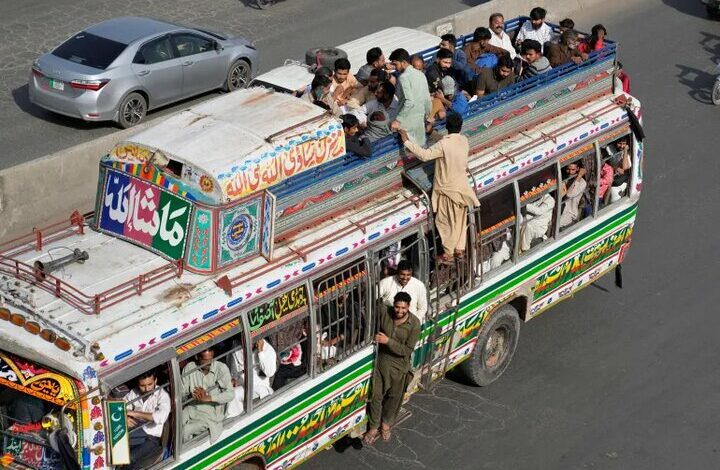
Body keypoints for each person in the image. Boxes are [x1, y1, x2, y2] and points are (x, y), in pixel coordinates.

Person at [400, 112, 480, 262]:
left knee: (444, 221)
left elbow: (424, 155)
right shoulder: (463, 140)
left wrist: (406, 141)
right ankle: (459, 250)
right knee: (460, 221)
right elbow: (445, 143)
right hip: (462, 187)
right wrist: (431, 132)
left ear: (447, 127)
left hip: (447, 189)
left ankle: (448, 254)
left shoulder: (444, 144)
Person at [363, 292, 420, 444]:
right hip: (382, 362)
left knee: (394, 398)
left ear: (408, 307)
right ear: (393, 304)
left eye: (403, 308)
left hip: (399, 366)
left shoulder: (414, 324)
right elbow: (374, 302)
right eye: (397, 307)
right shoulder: (385, 312)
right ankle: (374, 426)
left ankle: (386, 424)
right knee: (376, 396)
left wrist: (388, 341)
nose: (399, 311)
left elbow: (407, 350)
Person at [181, 348, 234, 444]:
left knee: (185, 430)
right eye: (205, 361)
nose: (209, 363)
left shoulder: (221, 368)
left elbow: (230, 394)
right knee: (177, 424)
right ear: (197, 357)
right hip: (192, 408)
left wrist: (209, 398)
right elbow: (181, 393)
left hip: (210, 416)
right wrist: (191, 395)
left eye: (211, 359)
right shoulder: (189, 368)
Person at [124, 371, 171, 469]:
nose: (146, 389)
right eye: (142, 386)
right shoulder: (134, 392)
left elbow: (160, 417)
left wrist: (134, 413)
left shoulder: (163, 396)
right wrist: (125, 417)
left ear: (155, 380)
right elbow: (121, 405)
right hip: (136, 429)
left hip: (151, 437)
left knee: (130, 458)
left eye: (150, 384)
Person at [389, 48, 432, 146]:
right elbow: (427, 99)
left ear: (403, 62)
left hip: (406, 123)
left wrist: (398, 120)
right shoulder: (420, 74)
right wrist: (427, 115)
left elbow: (409, 102)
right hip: (420, 121)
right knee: (421, 149)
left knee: (410, 151)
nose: (395, 68)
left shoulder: (403, 77)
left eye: (396, 64)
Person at [226, 338, 277, 419]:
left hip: (260, 387)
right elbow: (232, 368)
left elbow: (270, 372)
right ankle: (234, 422)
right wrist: (233, 379)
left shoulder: (267, 349)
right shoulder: (236, 344)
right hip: (243, 386)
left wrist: (261, 352)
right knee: (232, 395)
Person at [559, 162, 587, 228]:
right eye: (568, 169)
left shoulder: (582, 182)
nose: (570, 172)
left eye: (573, 170)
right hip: (559, 209)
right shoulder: (564, 179)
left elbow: (569, 194)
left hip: (569, 212)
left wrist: (579, 176)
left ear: (577, 169)